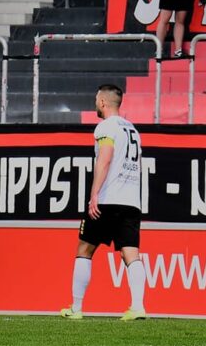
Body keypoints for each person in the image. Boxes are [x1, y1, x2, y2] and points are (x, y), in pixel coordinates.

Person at [61, 84, 146, 321]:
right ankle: (138, 307)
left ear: (103, 102)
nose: (95, 103)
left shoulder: (106, 127)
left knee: (84, 249)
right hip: (131, 201)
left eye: (96, 99)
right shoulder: (132, 130)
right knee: (131, 254)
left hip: (109, 199)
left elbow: (105, 159)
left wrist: (94, 194)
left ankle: (76, 308)